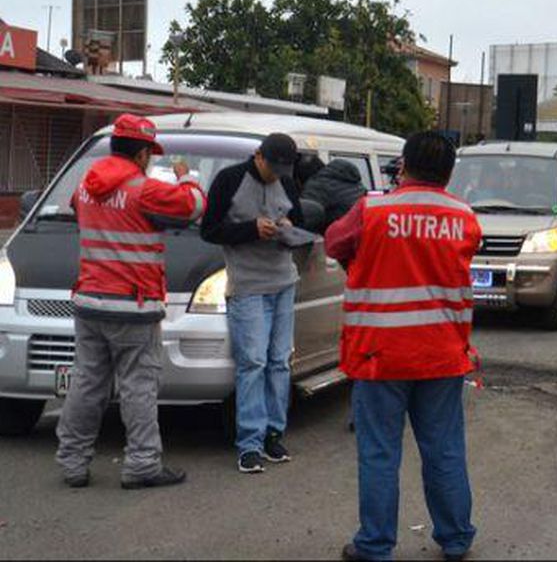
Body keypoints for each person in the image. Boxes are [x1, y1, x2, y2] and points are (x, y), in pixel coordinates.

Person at [326, 132, 482, 561]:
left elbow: (334, 242)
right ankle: (455, 538)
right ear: (450, 172)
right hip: (441, 353)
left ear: (403, 165)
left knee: (379, 452)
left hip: (380, 354)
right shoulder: (464, 216)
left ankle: (375, 545)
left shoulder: (372, 208)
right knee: (445, 449)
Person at [56, 114, 206, 489]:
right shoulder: (145, 190)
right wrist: (188, 176)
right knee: (138, 386)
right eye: (149, 154)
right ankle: (141, 464)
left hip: (90, 300)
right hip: (133, 306)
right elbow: (193, 206)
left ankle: (72, 462)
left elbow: (80, 212)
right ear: (141, 154)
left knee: (87, 383)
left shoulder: (85, 186)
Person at [200, 133, 305, 474]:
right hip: (246, 286)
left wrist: (290, 227)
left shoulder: (287, 182)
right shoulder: (230, 180)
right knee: (253, 363)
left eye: (283, 169)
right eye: (272, 167)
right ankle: (249, 444)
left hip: (284, 282)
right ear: (258, 156)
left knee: (279, 362)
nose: (277, 174)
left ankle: (274, 434)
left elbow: (302, 222)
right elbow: (210, 230)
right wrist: (249, 229)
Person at [300, 158, 367, 235]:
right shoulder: (353, 182)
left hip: (338, 236)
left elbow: (305, 216)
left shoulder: (317, 184)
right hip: (361, 232)